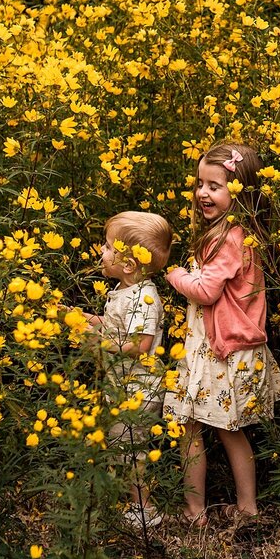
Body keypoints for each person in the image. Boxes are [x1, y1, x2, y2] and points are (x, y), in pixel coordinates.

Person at [163, 142, 280, 527]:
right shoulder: (239, 232)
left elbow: (206, 291)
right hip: (225, 347)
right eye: (201, 183)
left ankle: (195, 510)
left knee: (192, 428)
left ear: (241, 191)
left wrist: (173, 273)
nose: (203, 192)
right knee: (229, 431)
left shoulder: (231, 238)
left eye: (215, 186)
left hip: (219, 353)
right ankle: (245, 507)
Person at [84, 210, 173, 530]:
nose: (101, 251)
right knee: (121, 446)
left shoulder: (144, 297)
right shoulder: (125, 290)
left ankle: (144, 508)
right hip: (125, 388)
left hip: (140, 390)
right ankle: (129, 500)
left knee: (130, 450)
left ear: (129, 264)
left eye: (108, 247)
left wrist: (101, 343)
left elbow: (141, 344)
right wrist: (80, 318)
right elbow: (113, 325)